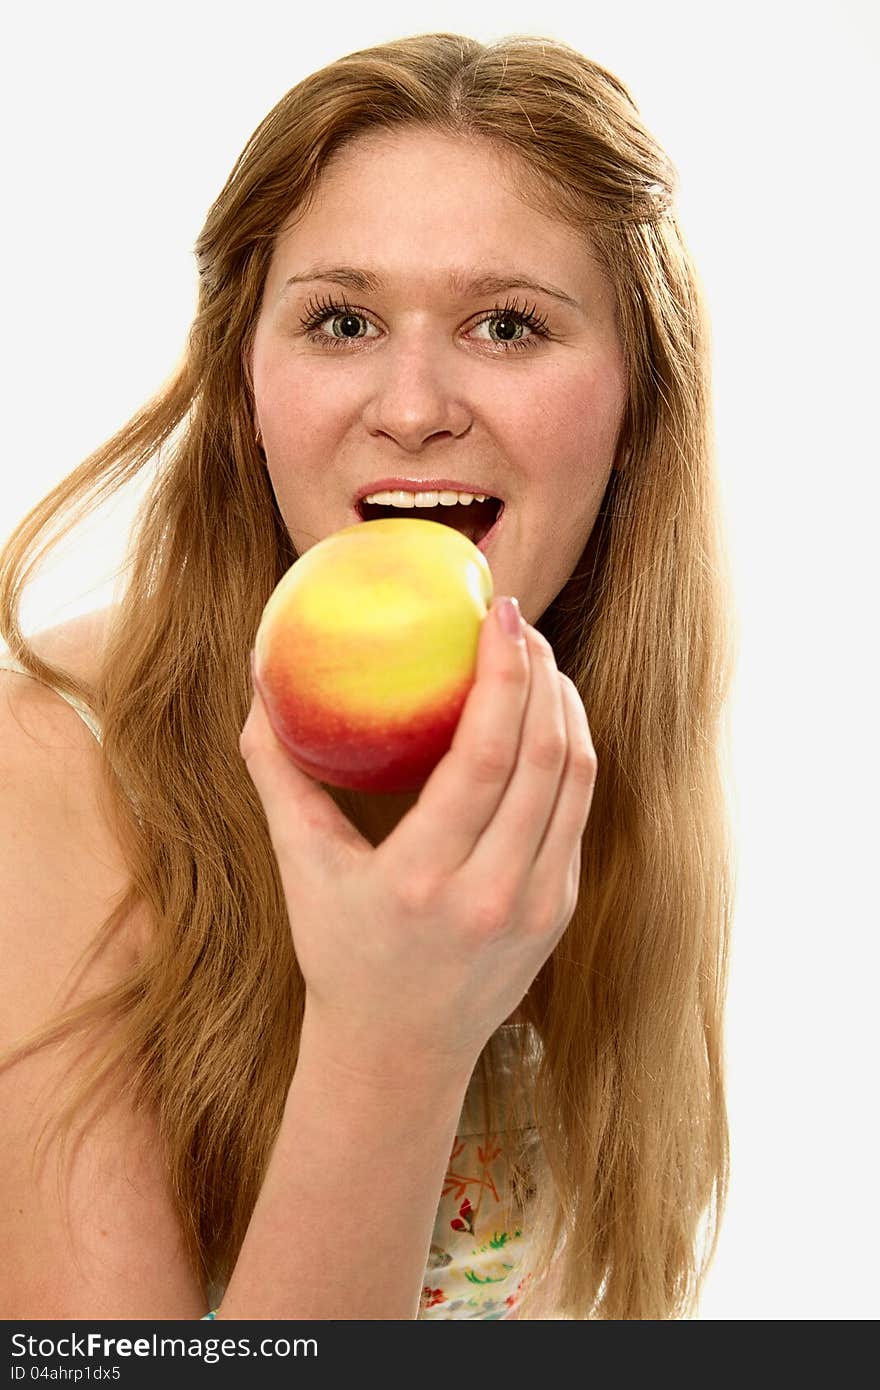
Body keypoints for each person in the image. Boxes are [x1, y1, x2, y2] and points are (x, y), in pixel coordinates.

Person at [0, 32, 737, 1321]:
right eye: (341, 320)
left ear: (639, 405)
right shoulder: (54, 770)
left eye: (506, 325)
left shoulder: (591, 754)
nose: (411, 404)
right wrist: (390, 1036)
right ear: (245, 388)